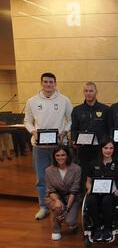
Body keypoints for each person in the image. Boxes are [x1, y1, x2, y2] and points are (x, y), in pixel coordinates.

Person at [24, 72, 72, 220]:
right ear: (41, 83)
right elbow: (27, 121)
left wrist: (64, 131)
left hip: (59, 146)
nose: (48, 84)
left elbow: (71, 119)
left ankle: (63, 205)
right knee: (41, 178)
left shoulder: (64, 100)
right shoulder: (32, 101)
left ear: (55, 83)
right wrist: (34, 132)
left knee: (62, 177)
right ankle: (44, 206)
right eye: (45, 82)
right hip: (40, 147)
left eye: (51, 82)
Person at [85, 138, 118, 241]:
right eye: (106, 148)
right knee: (90, 200)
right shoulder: (93, 164)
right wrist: (89, 188)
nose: (108, 150)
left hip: (112, 194)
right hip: (96, 192)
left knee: (107, 200)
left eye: (111, 148)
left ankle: (107, 228)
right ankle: (97, 228)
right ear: (101, 149)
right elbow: (88, 182)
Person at [71, 82, 109, 189]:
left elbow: (109, 129)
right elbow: (74, 129)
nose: (88, 93)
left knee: (100, 172)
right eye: (86, 91)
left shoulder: (105, 109)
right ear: (83, 92)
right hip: (84, 150)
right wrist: (74, 140)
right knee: (85, 173)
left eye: (91, 91)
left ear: (96, 92)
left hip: (100, 150)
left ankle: (100, 195)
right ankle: (85, 198)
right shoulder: (77, 110)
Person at [44, 146, 81, 241]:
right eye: (57, 155)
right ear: (54, 157)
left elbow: (74, 190)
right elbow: (50, 189)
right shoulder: (48, 170)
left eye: (63, 155)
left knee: (69, 220)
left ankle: (73, 223)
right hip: (55, 196)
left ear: (68, 155)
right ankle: (56, 230)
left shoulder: (76, 169)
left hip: (72, 196)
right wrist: (57, 200)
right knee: (58, 207)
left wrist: (67, 209)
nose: (60, 158)